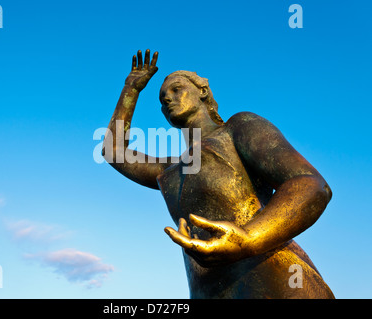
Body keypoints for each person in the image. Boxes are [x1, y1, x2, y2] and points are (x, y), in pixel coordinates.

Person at [102, 50, 335, 298]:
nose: (167, 100)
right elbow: (113, 151)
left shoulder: (237, 128)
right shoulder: (170, 169)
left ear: (202, 91)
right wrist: (131, 89)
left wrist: (248, 238)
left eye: (176, 90)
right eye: (162, 99)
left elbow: (309, 183)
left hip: (278, 284)